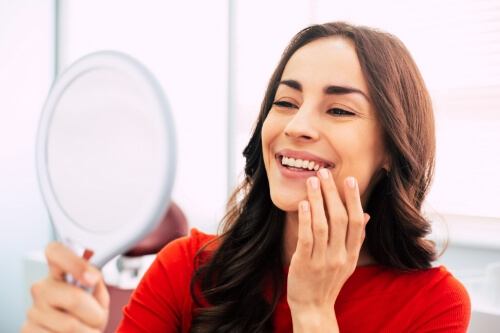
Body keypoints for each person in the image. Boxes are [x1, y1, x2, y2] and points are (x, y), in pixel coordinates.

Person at [22, 21, 471, 333]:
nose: (297, 126)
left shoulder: (435, 306)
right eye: (285, 102)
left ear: (392, 150)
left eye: (338, 109)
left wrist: (313, 311)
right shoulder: (185, 268)